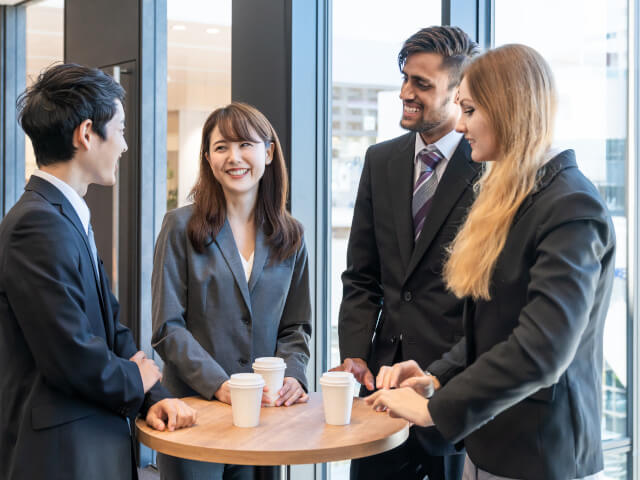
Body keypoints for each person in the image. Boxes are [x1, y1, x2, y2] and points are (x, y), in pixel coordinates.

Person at [368, 44, 615, 480]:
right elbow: (497, 326)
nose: (460, 124)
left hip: (540, 456)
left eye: (469, 109)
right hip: (490, 445)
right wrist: (437, 377)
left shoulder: (571, 206)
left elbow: (542, 350)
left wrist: (434, 409)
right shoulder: (519, 197)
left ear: (507, 109)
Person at [0, 64, 197, 480]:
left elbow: (109, 329)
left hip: (89, 443)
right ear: (86, 133)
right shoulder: (36, 224)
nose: (125, 145)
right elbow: (69, 352)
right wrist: (135, 379)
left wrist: (152, 394)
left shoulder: (65, 215)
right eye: (121, 129)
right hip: (62, 457)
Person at [332, 26, 480, 480]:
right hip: (379, 391)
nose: (404, 93)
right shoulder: (380, 160)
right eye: (405, 79)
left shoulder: (487, 170)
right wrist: (356, 352)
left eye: (422, 84)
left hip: (448, 394)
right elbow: (361, 274)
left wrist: (438, 378)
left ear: (458, 93)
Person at [152, 102, 312, 479]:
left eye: (245, 145)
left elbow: (297, 327)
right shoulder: (179, 227)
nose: (234, 157)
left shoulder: (291, 236)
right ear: (208, 158)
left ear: (268, 152)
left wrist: (293, 375)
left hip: (266, 420)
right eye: (221, 147)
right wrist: (221, 386)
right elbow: (168, 327)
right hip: (194, 414)